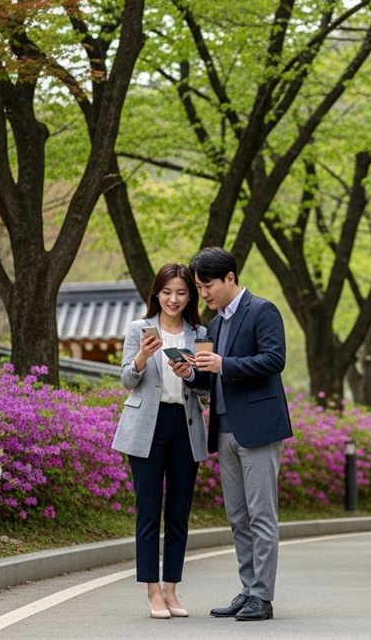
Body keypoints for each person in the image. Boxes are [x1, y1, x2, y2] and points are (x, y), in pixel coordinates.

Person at [185, 247, 292, 622]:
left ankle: (262, 596)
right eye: (198, 288)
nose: (203, 295)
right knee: (238, 516)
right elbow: (213, 376)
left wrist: (223, 364)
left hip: (259, 429)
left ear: (229, 278)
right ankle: (248, 590)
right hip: (225, 429)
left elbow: (274, 359)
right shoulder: (214, 325)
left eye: (207, 285)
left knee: (262, 515)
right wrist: (192, 373)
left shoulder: (262, 310)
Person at [113, 263, 209, 620]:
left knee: (179, 513)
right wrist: (142, 357)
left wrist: (190, 374)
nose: (174, 299)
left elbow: (205, 390)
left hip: (185, 425)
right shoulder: (139, 328)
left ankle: (172, 589)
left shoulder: (199, 332)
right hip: (146, 426)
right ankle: (152, 591)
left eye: (182, 293)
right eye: (167, 292)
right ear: (156, 293)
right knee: (149, 511)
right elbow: (126, 379)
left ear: (190, 296)